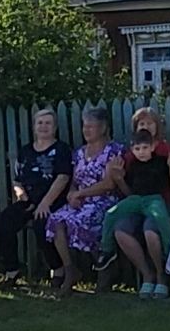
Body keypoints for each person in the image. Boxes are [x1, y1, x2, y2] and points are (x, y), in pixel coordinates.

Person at [46, 107, 125, 293]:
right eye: (84, 126)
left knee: (84, 220)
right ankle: (69, 269)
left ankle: (104, 269)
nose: (86, 130)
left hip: (105, 200)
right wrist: (71, 194)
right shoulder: (80, 153)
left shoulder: (114, 151)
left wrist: (81, 194)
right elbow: (74, 181)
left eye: (91, 126)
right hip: (80, 200)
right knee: (55, 219)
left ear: (103, 128)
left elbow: (109, 184)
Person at [105, 106, 170, 292]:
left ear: (157, 127)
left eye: (150, 123)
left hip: (161, 202)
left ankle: (162, 275)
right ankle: (147, 274)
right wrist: (119, 179)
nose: (145, 126)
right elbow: (129, 192)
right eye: (141, 123)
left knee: (150, 230)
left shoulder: (167, 151)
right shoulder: (131, 155)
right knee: (120, 229)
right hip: (138, 202)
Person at [0, 109, 71, 286]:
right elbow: (17, 180)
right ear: (34, 127)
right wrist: (21, 195)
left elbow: (63, 177)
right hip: (28, 201)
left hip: (54, 201)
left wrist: (44, 204)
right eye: (40, 123)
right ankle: (12, 270)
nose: (43, 126)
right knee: (4, 222)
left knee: (41, 224)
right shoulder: (26, 151)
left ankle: (58, 269)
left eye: (48, 123)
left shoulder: (61, 149)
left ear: (55, 127)